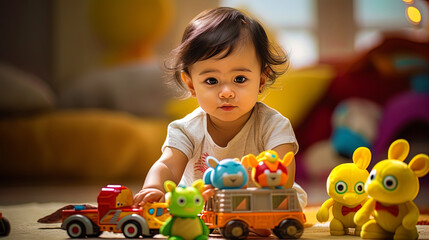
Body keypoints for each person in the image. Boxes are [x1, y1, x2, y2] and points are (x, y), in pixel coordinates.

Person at [133, 7, 307, 210]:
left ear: (261, 80)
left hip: (260, 201)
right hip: (201, 203)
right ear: (191, 85)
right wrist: (155, 187)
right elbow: (168, 166)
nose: (226, 92)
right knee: (180, 203)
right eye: (212, 80)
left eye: (239, 79)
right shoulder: (186, 129)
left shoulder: (273, 124)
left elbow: (282, 173)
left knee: (289, 200)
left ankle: (259, 223)